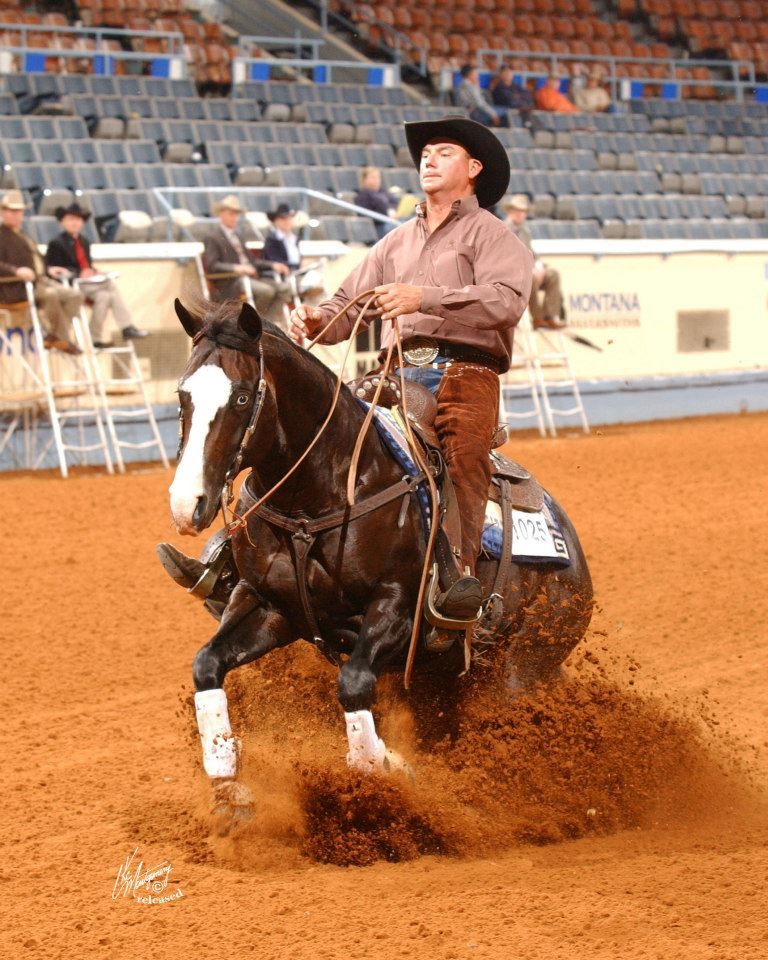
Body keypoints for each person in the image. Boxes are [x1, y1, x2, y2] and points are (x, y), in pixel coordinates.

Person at [289, 116, 533, 622]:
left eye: (444, 152)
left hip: (466, 370)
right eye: (425, 154)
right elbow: (347, 308)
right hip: (394, 373)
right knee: (323, 433)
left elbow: (507, 301)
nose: (429, 160)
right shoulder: (393, 243)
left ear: (473, 168)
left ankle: (458, 574)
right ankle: (257, 552)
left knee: (464, 450)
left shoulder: (493, 235)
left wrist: (425, 298)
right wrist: (316, 320)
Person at [44, 202, 148, 348]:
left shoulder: (84, 242)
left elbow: (86, 264)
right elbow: (55, 270)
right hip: (73, 284)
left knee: (104, 296)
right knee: (110, 285)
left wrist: (94, 271)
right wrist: (79, 273)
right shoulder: (56, 243)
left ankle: (95, 338)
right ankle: (126, 326)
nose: (75, 223)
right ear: (62, 222)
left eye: (78, 219)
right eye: (71, 219)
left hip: (89, 284)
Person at [0, 190, 83, 355]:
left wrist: (47, 269)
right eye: (12, 211)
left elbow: (35, 259)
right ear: (3, 212)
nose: (16, 215)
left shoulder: (22, 234)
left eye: (19, 211)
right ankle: (60, 338)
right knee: (51, 294)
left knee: (75, 295)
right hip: (17, 286)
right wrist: (16, 271)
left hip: (40, 280)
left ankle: (56, 336)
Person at [203, 194, 293, 322]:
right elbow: (212, 265)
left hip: (251, 278)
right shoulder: (212, 237)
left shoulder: (238, 235)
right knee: (266, 291)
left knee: (285, 289)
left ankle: (266, 321)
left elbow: (253, 262)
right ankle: (256, 322)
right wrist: (237, 268)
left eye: (236, 214)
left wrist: (272, 265)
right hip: (231, 281)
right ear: (221, 214)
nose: (234, 218)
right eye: (231, 214)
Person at [503, 194, 565, 329]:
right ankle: (538, 318)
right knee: (531, 278)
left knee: (553, 275)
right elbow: (506, 257)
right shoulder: (503, 229)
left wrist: (539, 266)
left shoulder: (525, 231)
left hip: (529, 269)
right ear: (511, 212)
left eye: (523, 211)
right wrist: (530, 269)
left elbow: (532, 252)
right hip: (511, 273)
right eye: (518, 210)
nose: (521, 214)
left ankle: (551, 316)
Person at [455, 65, 507, 129]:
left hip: (474, 111)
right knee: (505, 111)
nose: (477, 76)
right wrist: (493, 114)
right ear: (470, 74)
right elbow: (479, 103)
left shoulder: (463, 84)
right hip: (474, 113)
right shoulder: (468, 86)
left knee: (502, 110)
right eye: (475, 74)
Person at [353, 167, 397, 240]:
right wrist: (386, 215)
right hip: (377, 226)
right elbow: (364, 214)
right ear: (364, 179)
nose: (376, 180)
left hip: (391, 221)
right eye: (373, 177)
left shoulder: (384, 192)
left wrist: (392, 210)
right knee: (395, 228)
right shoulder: (362, 195)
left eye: (378, 177)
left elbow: (393, 202)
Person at [262, 203, 302, 272]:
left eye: (289, 218)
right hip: (282, 273)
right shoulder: (272, 239)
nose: (286, 221)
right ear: (275, 221)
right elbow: (273, 261)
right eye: (283, 219)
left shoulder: (295, 238)